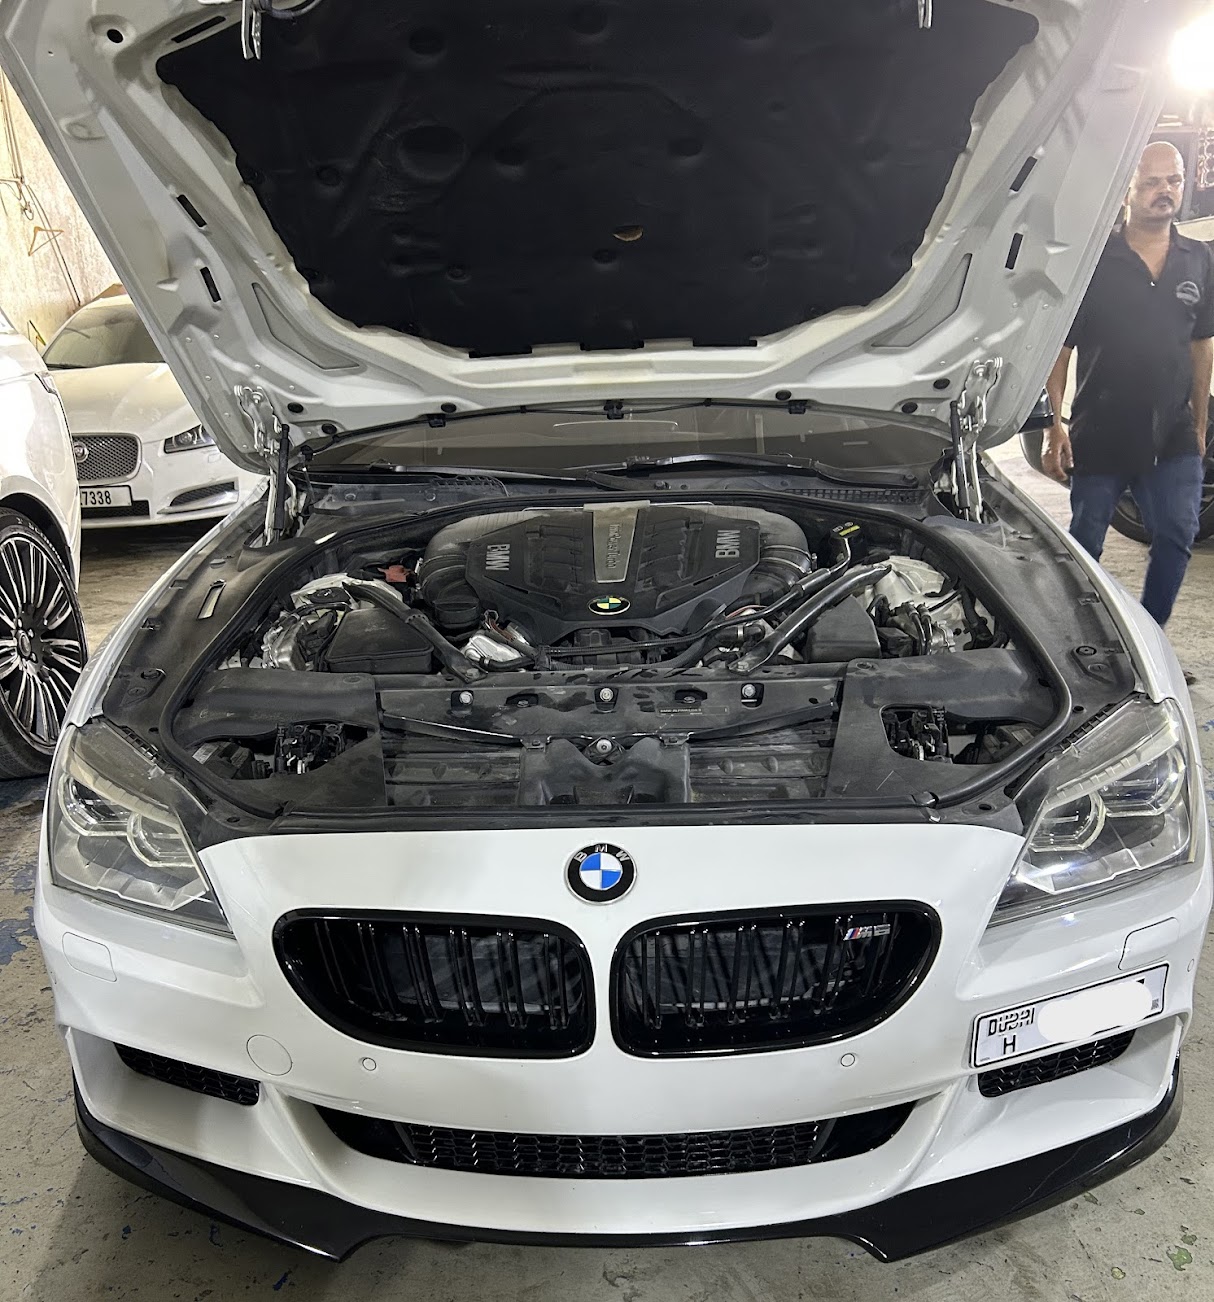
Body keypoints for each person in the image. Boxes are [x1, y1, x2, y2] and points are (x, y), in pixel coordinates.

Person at [1043, 140, 1213, 629]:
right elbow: (1060, 349)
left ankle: (1148, 634)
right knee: (1086, 543)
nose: (1165, 191)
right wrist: (1054, 424)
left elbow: (1201, 345)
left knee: (1177, 534)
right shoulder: (1095, 261)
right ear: (1126, 190)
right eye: (1152, 182)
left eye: (1174, 180)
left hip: (1172, 431)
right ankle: (1084, 637)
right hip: (1101, 429)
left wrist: (1199, 423)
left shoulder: (1199, 258)